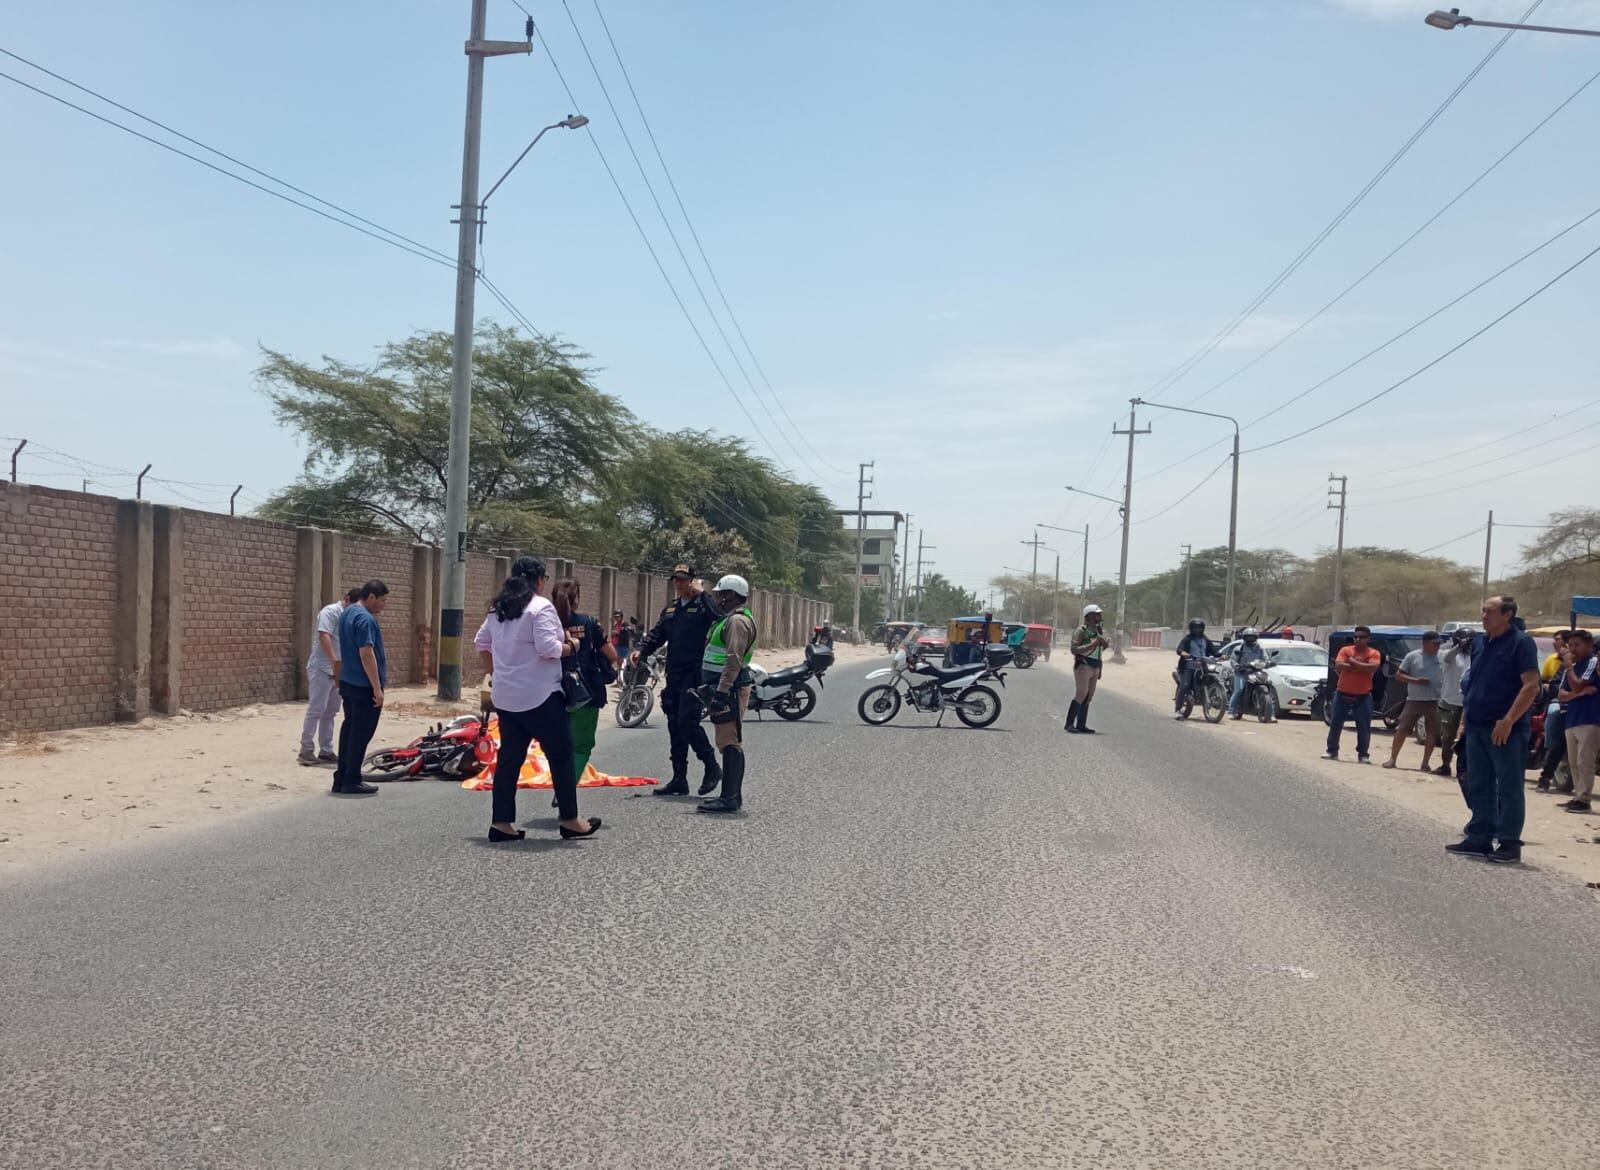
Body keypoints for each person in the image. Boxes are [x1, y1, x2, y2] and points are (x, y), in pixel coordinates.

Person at [474, 557, 600, 842]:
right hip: (540, 696)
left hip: (506, 697)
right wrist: (572, 645)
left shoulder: (498, 609)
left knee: (510, 759)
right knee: (562, 755)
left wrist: (495, 671)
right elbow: (548, 649)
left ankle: (501, 823)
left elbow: (481, 643)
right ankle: (570, 820)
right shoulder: (540, 607)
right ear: (539, 580)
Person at [1447, 596, 1540, 864]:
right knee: (1479, 783)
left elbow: (1531, 686)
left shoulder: (1521, 643)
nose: (1484, 616)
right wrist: (1465, 723)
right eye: (1483, 611)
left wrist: (1509, 720)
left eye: (1489, 611)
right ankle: (1479, 838)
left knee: (1508, 786)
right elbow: (1473, 685)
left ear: (1508, 614)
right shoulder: (1480, 642)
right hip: (1476, 725)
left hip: (1505, 729)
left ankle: (1509, 844)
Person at [632, 564, 721, 796]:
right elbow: (656, 635)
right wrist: (641, 650)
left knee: (687, 721)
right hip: (674, 673)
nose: (679, 584)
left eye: (683, 579)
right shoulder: (671, 610)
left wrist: (703, 594)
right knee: (674, 722)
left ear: (692, 580)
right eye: (676, 580)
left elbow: (719, 619)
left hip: (694, 672)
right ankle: (679, 778)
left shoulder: (703, 605)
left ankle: (711, 766)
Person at [697, 574, 758, 814]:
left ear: (732, 595)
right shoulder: (729, 619)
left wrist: (721, 692)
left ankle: (729, 797)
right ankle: (732, 795)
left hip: (730, 688)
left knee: (729, 741)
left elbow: (733, 660)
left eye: (722, 594)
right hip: (724, 687)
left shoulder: (737, 622)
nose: (718, 598)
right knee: (728, 741)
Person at [553, 580, 622, 780]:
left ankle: (560, 782)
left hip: (552, 689)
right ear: (577, 600)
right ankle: (565, 788)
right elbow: (611, 654)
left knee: (559, 744)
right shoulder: (589, 622)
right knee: (581, 746)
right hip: (585, 690)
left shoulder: (547, 623)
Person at [331, 580, 390, 796]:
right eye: (382, 600)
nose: (384, 605)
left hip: (348, 682)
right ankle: (352, 779)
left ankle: (342, 776)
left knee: (349, 730)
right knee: (360, 733)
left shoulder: (348, 612)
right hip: (363, 685)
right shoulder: (365, 619)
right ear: (371, 597)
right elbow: (366, 654)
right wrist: (376, 688)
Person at [299, 587, 359, 767]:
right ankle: (306, 750)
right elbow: (324, 636)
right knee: (316, 709)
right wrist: (334, 662)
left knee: (331, 711)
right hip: (322, 668)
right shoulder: (330, 612)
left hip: (339, 670)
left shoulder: (352, 616)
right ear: (347, 599)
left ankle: (326, 750)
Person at [1384, 631, 1443, 771]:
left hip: (1435, 700)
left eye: (1439, 643)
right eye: (1435, 644)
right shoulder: (1412, 656)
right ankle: (1392, 759)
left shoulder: (1442, 656)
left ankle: (1425, 763)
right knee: (1402, 729)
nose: (1437, 646)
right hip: (1414, 700)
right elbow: (1399, 675)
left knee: (1432, 732)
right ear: (1425, 643)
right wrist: (1416, 681)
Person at [1323, 625, 1381, 764]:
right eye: (1355, 637)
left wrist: (1353, 662)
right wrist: (1361, 666)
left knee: (1363, 726)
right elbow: (1339, 666)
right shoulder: (1345, 650)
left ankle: (1363, 754)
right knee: (1335, 723)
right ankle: (1332, 751)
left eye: (1361, 637)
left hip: (1363, 695)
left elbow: (1372, 668)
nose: (1358, 639)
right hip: (1342, 693)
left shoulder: (1373, 653)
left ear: (1368, 639)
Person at [1557, 628, 1598, 814]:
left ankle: (1584, 799)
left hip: (1590, 717)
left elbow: (1577, 683)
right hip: (1573, 718)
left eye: (1577, 645)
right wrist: (1579, 694)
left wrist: (1570, 668)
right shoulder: (1571, 666)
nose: (1573, 649)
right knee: (1573, 760)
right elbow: (1562, 695)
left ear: (1589, 645)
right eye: (1570, 645)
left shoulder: (1592, 662)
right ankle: (1577, 795)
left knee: (1585, 760)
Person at [1435, 627, 1472, 784]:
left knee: (1466, 737)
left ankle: (1466, 767)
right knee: (1448, 737)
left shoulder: (1475, 655)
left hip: (1469, 702)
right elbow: (1447, 659)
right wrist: (1459, 646)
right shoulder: (1446, 652)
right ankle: (1445, 764)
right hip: (1450, 701)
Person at [1065, 604, 1109, 734]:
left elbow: (1099, 650)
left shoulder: (1098, 630)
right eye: (1097, 615)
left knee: (1089, 696)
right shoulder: (1081, 630)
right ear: (1089, 616)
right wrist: (1092, 644)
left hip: (1095, 665)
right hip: (1084, 665)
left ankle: (1081, 724)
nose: (1099, 617)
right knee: (1081, 693)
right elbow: (1074, 649)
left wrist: (1104, 644)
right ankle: (1069, 724)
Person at [1535, 631, 1570, 792]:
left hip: (1584, 706)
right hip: (1562, 703)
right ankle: (1546, 774)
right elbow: (1555, 684)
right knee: (1555, 712)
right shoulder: (1562, 665)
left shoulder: (1589, 663)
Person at [1173, 619, 1215, 718]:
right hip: (1188, 667)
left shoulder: (1205, 639)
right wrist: (1185, 654)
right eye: (1195, 628)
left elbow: (1213, 650)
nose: (1197, 630)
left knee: (1210, 680)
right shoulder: (1188, 639)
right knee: (1184, 686)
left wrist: (1221, 655)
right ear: (1191, 628)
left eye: (1199, 628)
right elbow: (1179, 649)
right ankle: (1178, 710)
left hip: (1202, 666)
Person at [1226, 627, 1268, 720]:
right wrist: (1238, 667)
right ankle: (1231, 711)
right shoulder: (1239, 648)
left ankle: (1271, 714)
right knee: (1239, 690)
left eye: (1252, 637)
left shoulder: (1259, 648)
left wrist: (1264, 663)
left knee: (1266, 686)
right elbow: (1233, 660)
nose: (1250, 639)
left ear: (1256, 638)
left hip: (1255, 671)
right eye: (1248, 637)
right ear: (1245, 637)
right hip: (1241, 673)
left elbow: (1265, 658)